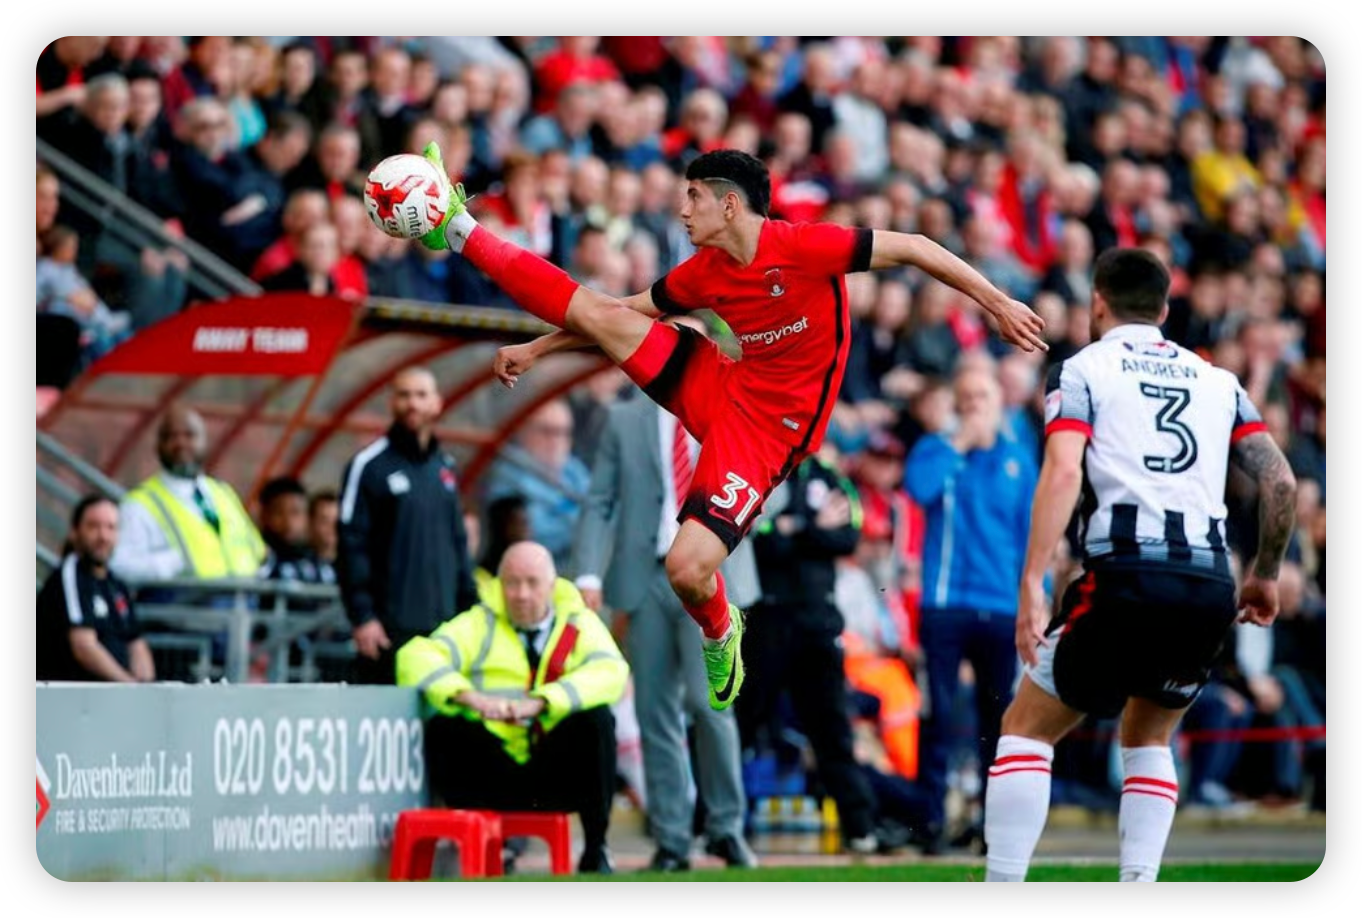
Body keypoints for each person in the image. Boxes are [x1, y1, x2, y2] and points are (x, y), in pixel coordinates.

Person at [419, 142, 1045, 712]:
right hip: (719, 384)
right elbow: (618, 311)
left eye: (692, 197)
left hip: (771, 434)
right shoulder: (706, 272)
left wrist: (997, 303)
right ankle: (460, 228)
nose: (682, 212)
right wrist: (538, 349)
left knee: (687, 568)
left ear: (729, 202)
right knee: (600, 308)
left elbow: (914, 246)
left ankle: (722, 627)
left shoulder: (803, 246)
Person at [981, 248, 1297, 882]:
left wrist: (1033, 582)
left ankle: (1003, 878)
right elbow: (1281, 481)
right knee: (1149, 737)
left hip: (1125, 571)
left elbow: (1065, 469)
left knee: (1025, 728)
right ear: (1165, 310)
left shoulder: (1082, 370)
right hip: (1208, 581)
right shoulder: (1217, 380)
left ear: (1097, 302)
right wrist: (1264, 573)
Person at [571, 343, 761, 872]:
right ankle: (673, 838)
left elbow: (772, 474)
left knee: (710, 706)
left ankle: (725, 828)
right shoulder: (623, 417)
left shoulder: (737, 401)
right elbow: (600, 499)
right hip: (645, 576)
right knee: (655, 712)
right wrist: (588, 571)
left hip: (709, 577)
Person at [395, 541, 628, 874]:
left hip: (552, 769)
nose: (520, 594)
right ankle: (492, 846)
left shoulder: (580, 624)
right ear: (498, 585)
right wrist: (468, 697)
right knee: (445, 728)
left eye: (531, 583)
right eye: (511, 583)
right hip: (493, 769)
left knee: (597, 720)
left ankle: (596, 849)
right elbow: (414, 656)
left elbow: (612, 672)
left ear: (551, 585)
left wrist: (543, 702)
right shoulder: (480, 622)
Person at [903, 361, 1039, 854]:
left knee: (997, 723)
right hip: (945, 605)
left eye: (984, 398)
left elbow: (1033, 536)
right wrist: (959, 443)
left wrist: (1035, 598)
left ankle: (991, 828)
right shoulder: (937, 449)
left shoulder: (1019, 460)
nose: (976, 407)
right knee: (938, 715)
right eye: (968, 400)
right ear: (957, 406)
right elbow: (918, 491)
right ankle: (931, 825)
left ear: (1000, 403)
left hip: (1000, 607)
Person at [742, 444, 902, 854]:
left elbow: (848, 534)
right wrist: (812, 526)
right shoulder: (758, 470)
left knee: (832, 730)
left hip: (817, 623)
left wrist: (793, 528)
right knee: (743, 725)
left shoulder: (829, 476)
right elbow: (756, 538)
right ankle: (717, 823)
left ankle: (860, 826)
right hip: (766, 620)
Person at [336, 366, 480, 685]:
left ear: (437, 403)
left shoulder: (446, 467)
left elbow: (458, 544)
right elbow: (350, 544)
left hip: (444, 629)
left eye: (421, 395)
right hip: (387, 630)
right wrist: (363, 617)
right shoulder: (368, 465)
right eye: (404, 395)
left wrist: (469, 612)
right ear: (391, 403)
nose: (412, 403)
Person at [111, 404, 266, 582]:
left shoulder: (224, 492)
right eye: (171, 437)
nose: (181, 443)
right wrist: (168, 564)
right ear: (158, 446)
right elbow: (120, 565)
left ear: (204, 441)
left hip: (244, 603)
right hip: (184, 605)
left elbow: (257, 550)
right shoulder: (138, 504)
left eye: (189, 435)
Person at [37, 495, 155, 683]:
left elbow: (136, 642)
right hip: (72, 702)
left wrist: (146, 687)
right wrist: (129, 686)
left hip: (112, 699)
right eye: (93, 526)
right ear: (75, 531)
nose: (103, 536)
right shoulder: (70, 577)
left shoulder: (116, 584)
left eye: (111, 527)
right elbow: (84, 646)